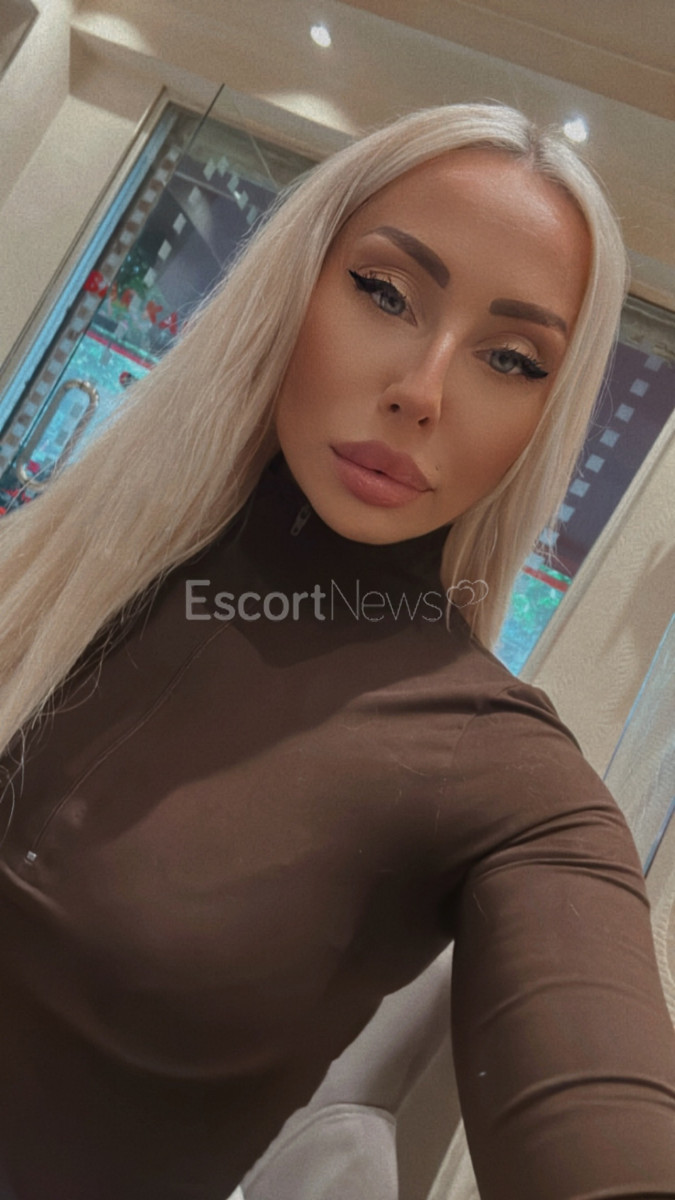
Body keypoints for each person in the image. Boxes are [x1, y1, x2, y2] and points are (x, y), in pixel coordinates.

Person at [0, 103, 673, 1200]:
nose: (423, 390)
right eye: (385, 293)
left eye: (510, 358)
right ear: (296, 282)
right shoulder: (53, 570)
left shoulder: (500, 773)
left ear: (543, 421)